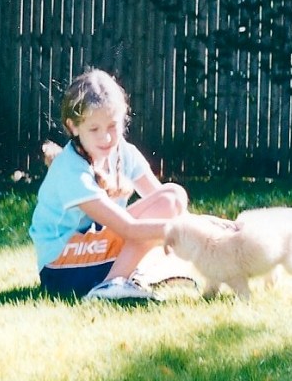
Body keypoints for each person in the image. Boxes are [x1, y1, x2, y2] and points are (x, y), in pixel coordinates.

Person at [29, 68, 189, 301]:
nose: (106, 138)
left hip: (94, 253)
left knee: (173, 196)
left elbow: (166, 204)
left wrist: (213, 225)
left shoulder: (124, 151)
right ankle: (110, 286)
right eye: (94, 129)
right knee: (165, 222)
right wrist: (193, 232)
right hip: (60, 270)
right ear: (73, 126)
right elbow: (129, 229)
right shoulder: (70, 169)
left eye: (112, 126)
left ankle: (132, 275)